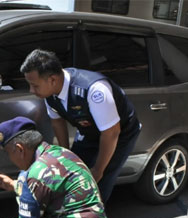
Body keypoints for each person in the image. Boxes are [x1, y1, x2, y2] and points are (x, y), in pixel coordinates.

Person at [21, 49, 141, 202]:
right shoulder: (50, 93)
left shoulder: (93, 90)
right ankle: (72, 215)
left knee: (97, 183)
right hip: (89, 131)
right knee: (72, 172)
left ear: (52, 80)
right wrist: (65, 156)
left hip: (119, 134)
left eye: (34, 85)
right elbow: (57, 122)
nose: (31, 90)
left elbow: (111, 133)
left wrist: (98, 170)